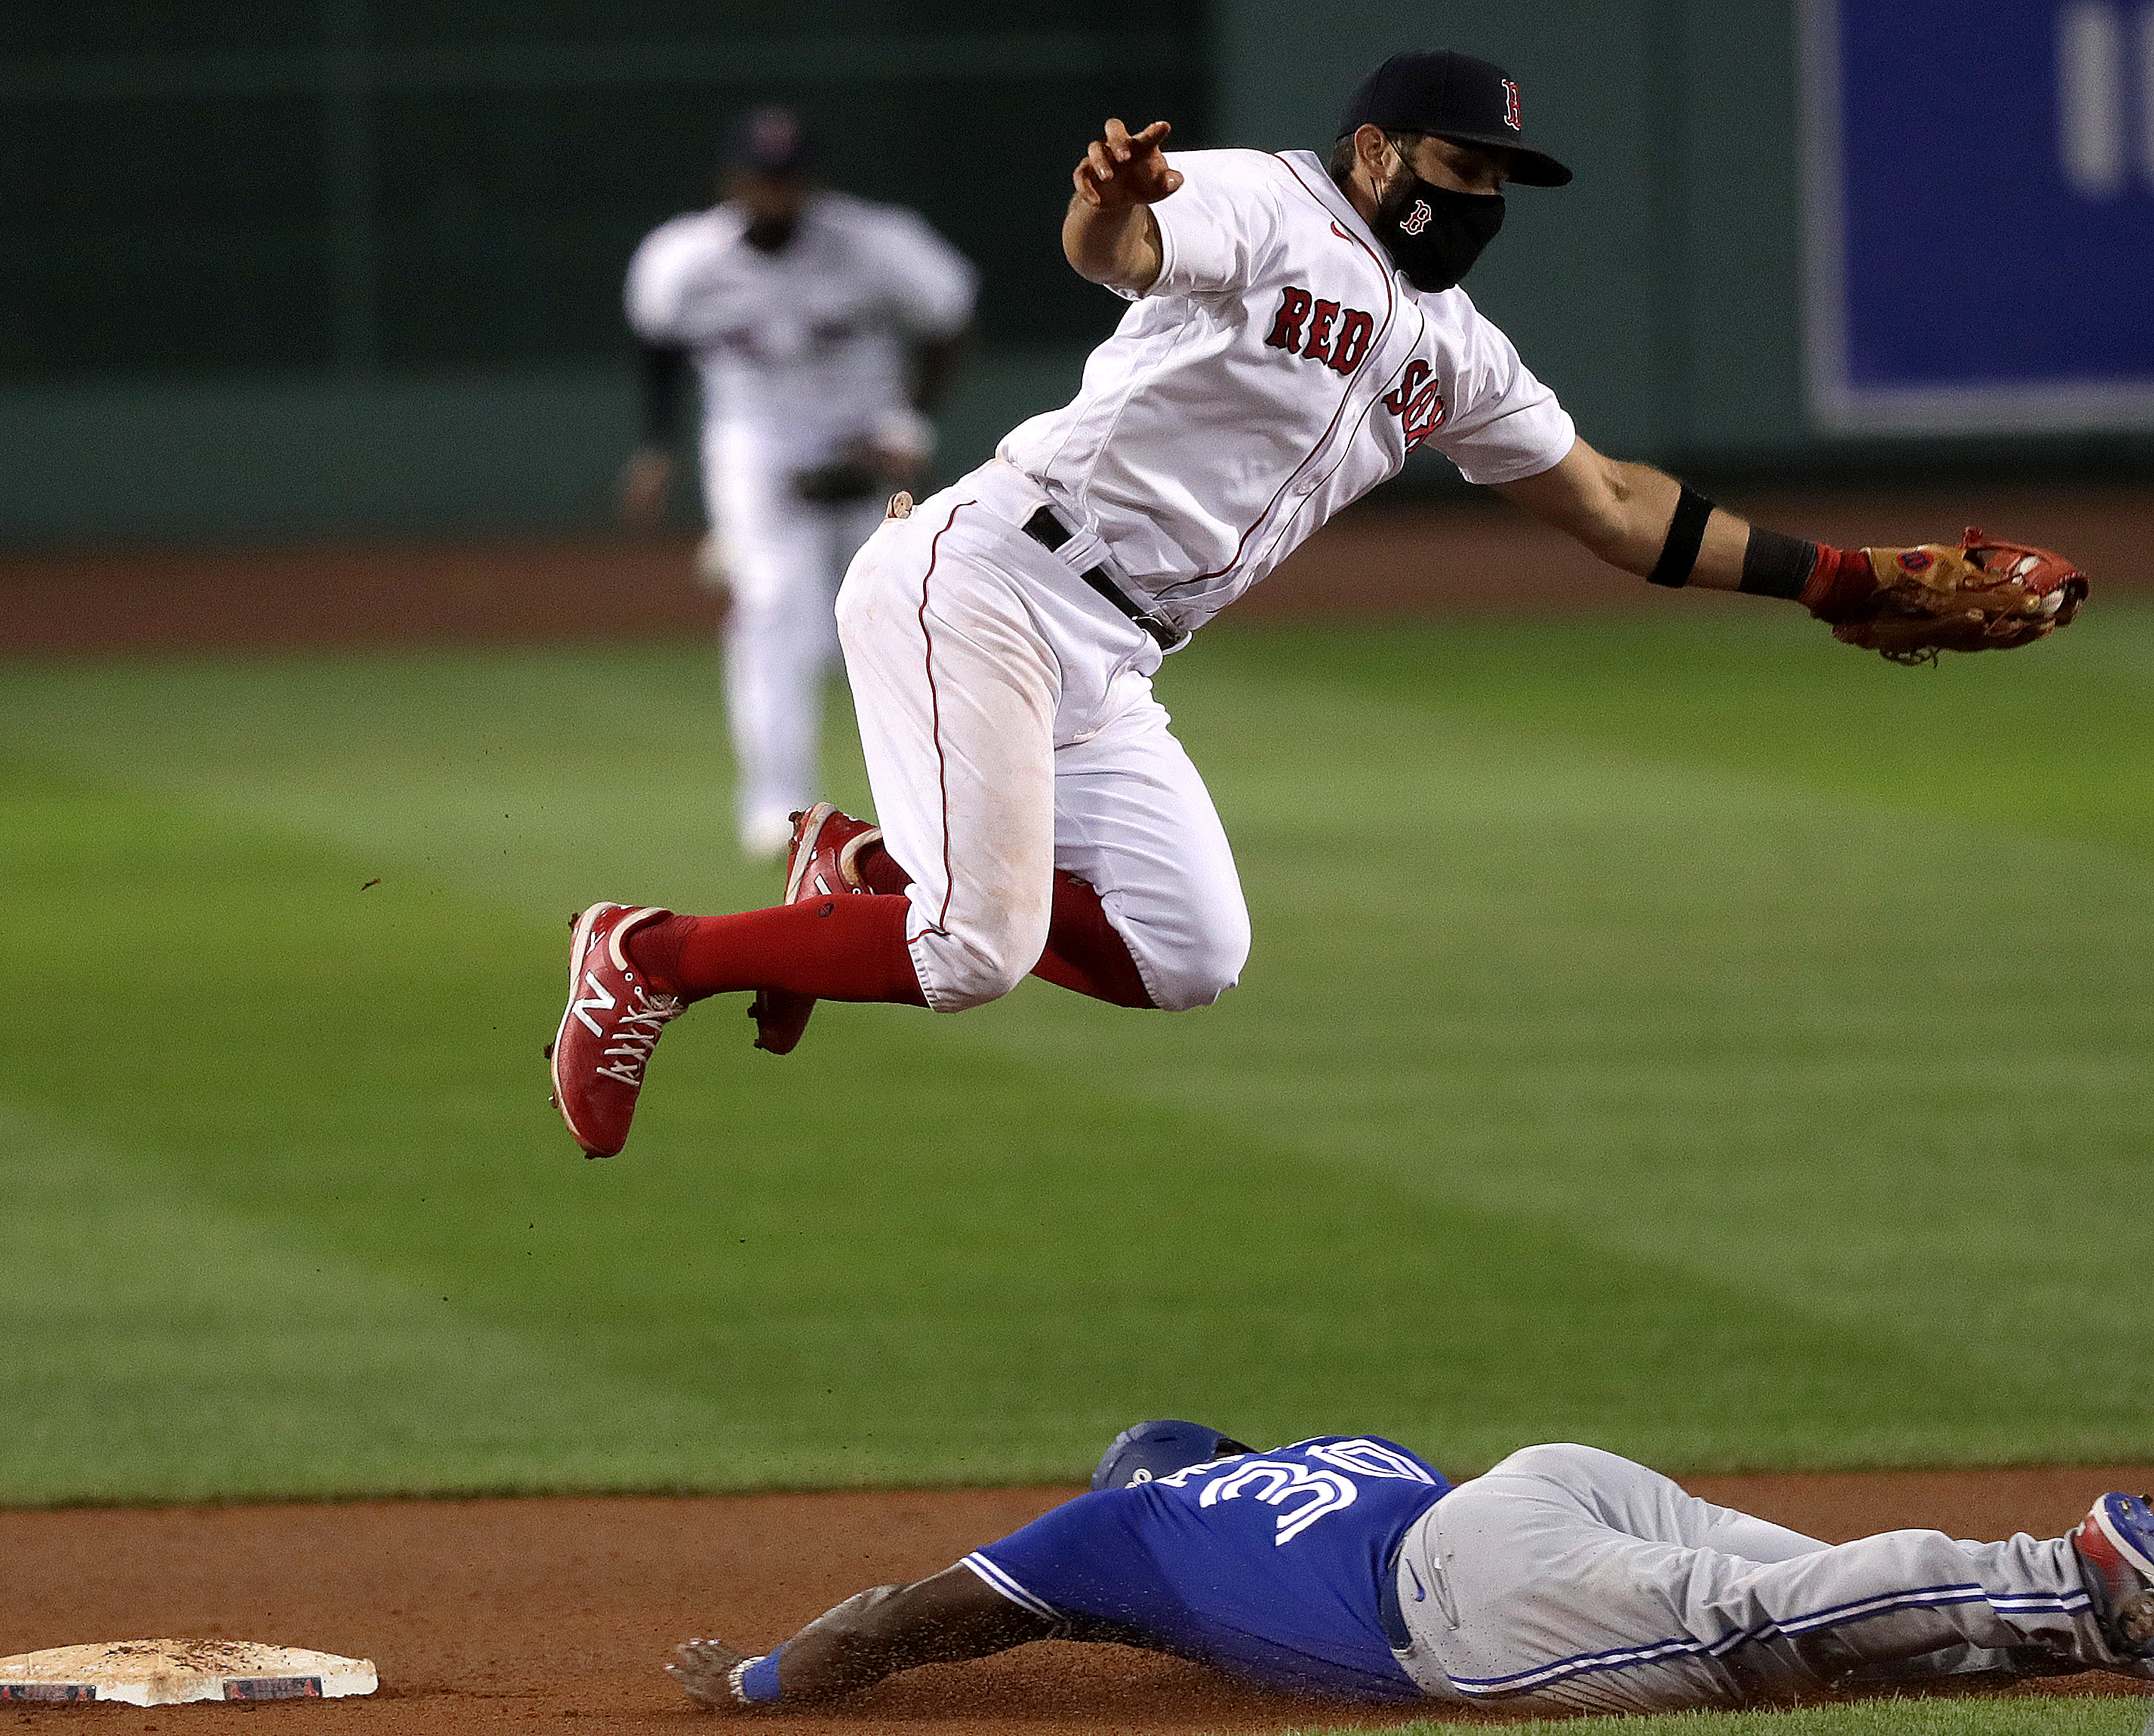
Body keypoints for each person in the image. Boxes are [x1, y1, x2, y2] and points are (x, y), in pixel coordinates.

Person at [549, 50, 2075, 1159]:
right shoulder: (1267, 207)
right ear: (1370, 154)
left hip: (1113, 653)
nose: (1477, 197)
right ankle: (650, 952)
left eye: (1497, 181)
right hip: (993, 578)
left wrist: (1837, 579)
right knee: (970, 954)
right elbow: (1125, 248)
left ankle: (871, 862)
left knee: (1187, 953)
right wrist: (1109, 208)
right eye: (1456, 165)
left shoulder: (1456, 351)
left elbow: (1610, 503)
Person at [664, 1418, 2154, 1716]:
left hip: (1456, 1595)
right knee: (1828, 1600)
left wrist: (755, 1680)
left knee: (1761, 1625)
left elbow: (893, 1623)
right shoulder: (1328, 1452)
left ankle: (2077, 1571)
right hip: (1531, 1481)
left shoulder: (1112, 1531)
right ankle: (2099, 1626)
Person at [622, 107, 977, 858]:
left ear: (810, 183)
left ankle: (928, 795)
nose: (774, 193)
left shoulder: (878, 245)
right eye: (760, 178)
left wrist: (909, 422)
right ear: (729, 181)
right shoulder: (683, 259)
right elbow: (655, 344)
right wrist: (656, 447)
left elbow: (950, 317)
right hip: (756, 450)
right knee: (776, 607)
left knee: (893, 616)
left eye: (786, 179)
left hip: (865, 445)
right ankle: (776, 802)